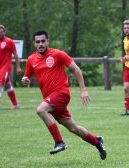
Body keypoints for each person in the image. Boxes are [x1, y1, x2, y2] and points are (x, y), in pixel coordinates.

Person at [21, 30, 106, 160]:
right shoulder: (31, 59)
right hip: (51, 100)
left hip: (61, 94)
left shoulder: (57, 54)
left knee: (41, 110)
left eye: (43, 41)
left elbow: (76, 69)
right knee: (74, 128)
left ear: (48, 41)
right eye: (38, 42)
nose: (41, 44)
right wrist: (25, 80)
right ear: (34, 44)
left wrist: (83, 90)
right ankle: (97, 141)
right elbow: (27, 77)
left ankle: (59, 142)